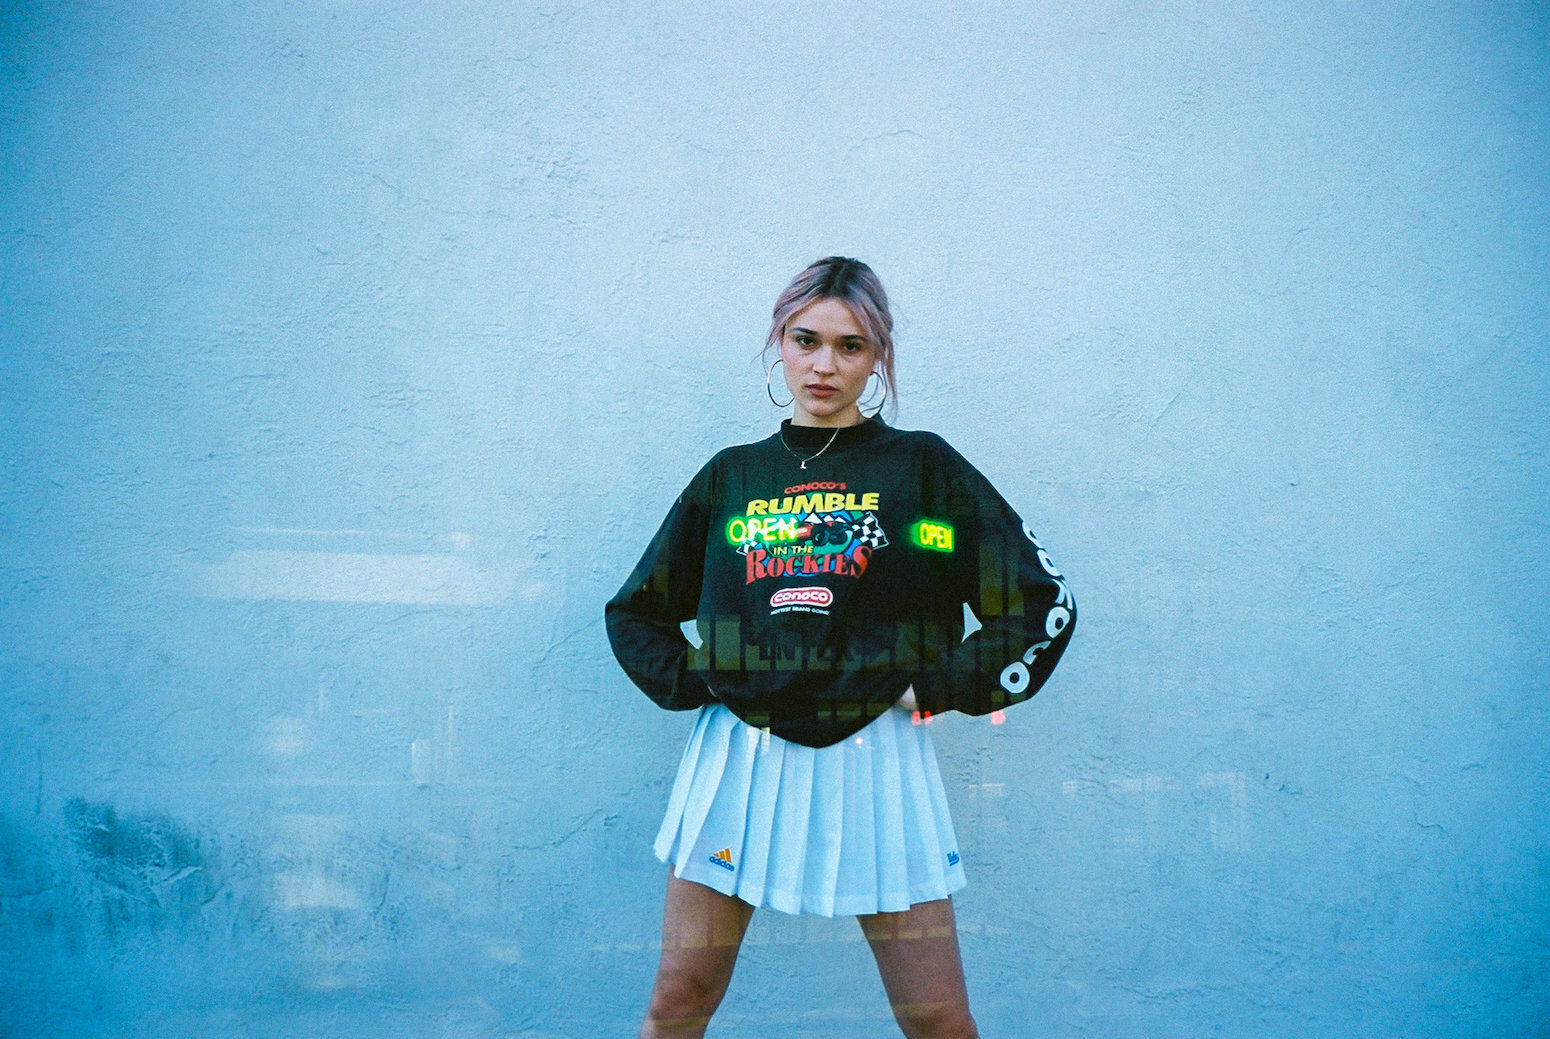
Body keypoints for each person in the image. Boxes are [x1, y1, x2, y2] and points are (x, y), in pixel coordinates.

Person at [605, 257, 1075, 1039]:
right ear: (779, 344)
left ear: (878, 356)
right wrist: (710, 677)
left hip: (876, 757)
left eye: (850, 345)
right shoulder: (731, 477)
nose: (824, 365)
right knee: (678, 1002)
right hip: (739, 761)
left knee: (938, 1019)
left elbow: (1040, 599)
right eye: (807, 340)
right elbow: (635, 613)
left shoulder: (921, 470)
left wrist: (934, 685)